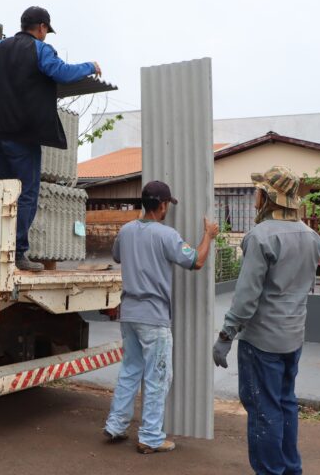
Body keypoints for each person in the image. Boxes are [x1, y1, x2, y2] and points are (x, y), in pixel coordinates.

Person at [213, 166, 320, 475]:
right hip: (293, 338)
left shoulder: (260, 236)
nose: (254, 198)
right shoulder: (312, 237)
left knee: (264, 411)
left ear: (268, 198)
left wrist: (225, 336)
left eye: (257, 192)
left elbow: (246, 297)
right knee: (286, 403)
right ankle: (290, 469)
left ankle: (270, 471)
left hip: (261, 342)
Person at [0, 6, 101, 272]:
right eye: (46, 31)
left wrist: (7, 82)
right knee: (25, 194)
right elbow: (62, 73)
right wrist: (91, 65)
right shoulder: (41, 50)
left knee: (1, 193)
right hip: (23, 134)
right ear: (42, 28)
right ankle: (18, 252)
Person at [103, 180, 219, 454]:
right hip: (153, 318)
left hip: (129, 314)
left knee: (130, 371)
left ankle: (116, 425)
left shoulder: (126, 230)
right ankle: (150, 437)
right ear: (163, 205)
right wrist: (208, 236)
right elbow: (197, 261)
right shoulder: (166, 235)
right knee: (157, 377)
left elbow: (117, 256)